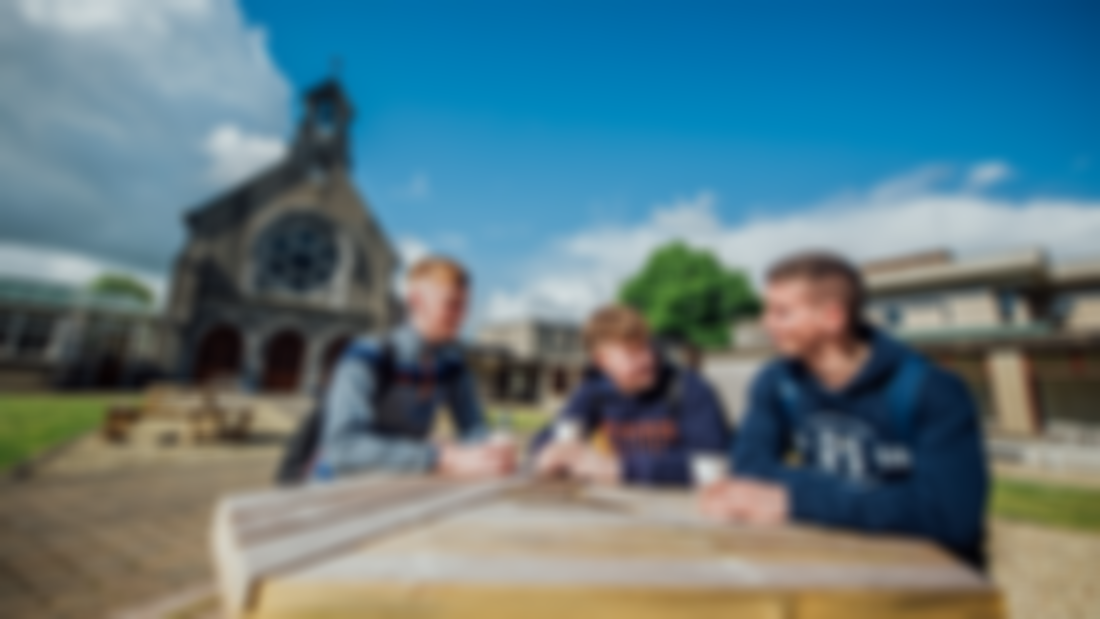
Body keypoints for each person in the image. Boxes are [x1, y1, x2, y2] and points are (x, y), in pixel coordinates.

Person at [700, 251, 989, 568]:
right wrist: (886, 498)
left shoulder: (932, 389)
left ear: (832, 317)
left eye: (781, 312)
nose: (765, 323)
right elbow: (750, 468)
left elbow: (951, 517)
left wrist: (796, 500)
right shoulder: (777, 382)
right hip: (839, 569)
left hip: (930, 589)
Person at [308, 256, 515, 481]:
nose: (462, 316)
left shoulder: (453, 364)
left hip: (396, 489)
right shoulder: (368, 355)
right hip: (335, 490)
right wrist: (440, 458)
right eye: (452, 304)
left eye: (465, 306)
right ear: (416, 300)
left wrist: (491, 451)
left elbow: (473, 428)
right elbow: (343, 447)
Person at [533, 305, 731, 487]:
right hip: (627, 508)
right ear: (602, 361)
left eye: (647, 346)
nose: (647, 358)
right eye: (632, 353)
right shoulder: (595, 390)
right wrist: (546, 452)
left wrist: (620, 468)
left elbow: (713, 464)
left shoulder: (688, 388)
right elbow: (557, 432)